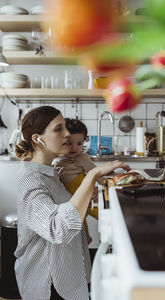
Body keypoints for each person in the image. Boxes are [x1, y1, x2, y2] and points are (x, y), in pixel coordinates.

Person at [14, 105, 130, 300]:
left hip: (71, 273)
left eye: (65, 127)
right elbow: (58, 229)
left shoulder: (52, 173)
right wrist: (92, 175)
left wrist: (89, 195)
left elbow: (68, 209)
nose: (67, 134)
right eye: (59, 129)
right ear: (37, 139)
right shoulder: (32, 182)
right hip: (49, 284)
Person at [53, 118, 103, 244]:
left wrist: (105, 187)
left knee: (104, 217)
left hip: (86, 195)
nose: (74, 148)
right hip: (70, 198)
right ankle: (86, 238)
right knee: (78, 222)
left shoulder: (81, 158)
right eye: (69, 143)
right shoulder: (56, 157)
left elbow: (97, 173)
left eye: (79, 144)